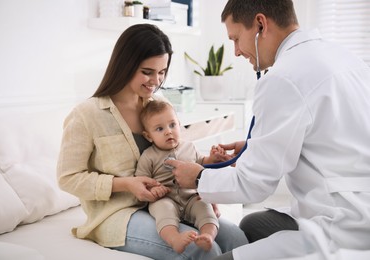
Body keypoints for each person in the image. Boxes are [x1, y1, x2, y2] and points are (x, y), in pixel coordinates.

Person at [165, 0, 370, 259]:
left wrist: (198, 177)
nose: (237, 51)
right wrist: (255, 145)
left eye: (237, 38)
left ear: (261, 24)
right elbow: (329, 134)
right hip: (359, 205)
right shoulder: (341, 56)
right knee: (253, 225)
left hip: (344, 225)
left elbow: (255, 185)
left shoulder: (283, 78)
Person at [57, 23, 248, 260]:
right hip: (118, 214)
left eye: (162, 72)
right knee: (199, 249)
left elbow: (178, 152)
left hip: (172, 200)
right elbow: (68, 178)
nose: (155, 81)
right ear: (125, 64)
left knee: (236, 239)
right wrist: (126, 184)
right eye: (147, 72)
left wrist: (204, 190)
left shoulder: (157, 103)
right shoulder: (87, 114)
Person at [136, 100, 226, 254]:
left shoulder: (189, 146)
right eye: (159, 129)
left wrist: (213, 158)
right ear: (148, 136)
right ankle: (174, 239)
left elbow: (201, 163)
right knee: (163, 210)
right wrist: (155, 189)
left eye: (172, 125)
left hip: (191, 197)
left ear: (179, 124)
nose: (168, 131)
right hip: (165, 198)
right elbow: (141, 181)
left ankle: (207, 236)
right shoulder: (148, 156)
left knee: (205, 207)